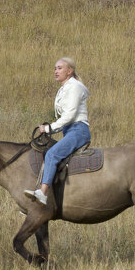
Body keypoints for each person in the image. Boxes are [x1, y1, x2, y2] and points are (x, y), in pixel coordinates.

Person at [25, 57, 90, 206]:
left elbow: (70, 115)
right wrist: (50, 130)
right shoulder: (64, 88)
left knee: (52, 154)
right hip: (69, 130)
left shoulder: (74, 87)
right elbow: (65, 119)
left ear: (69, 71)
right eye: (55, 68)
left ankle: (42, 193)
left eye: (60, 68)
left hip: (78, 130)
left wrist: (49, 128)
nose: (56, 71)